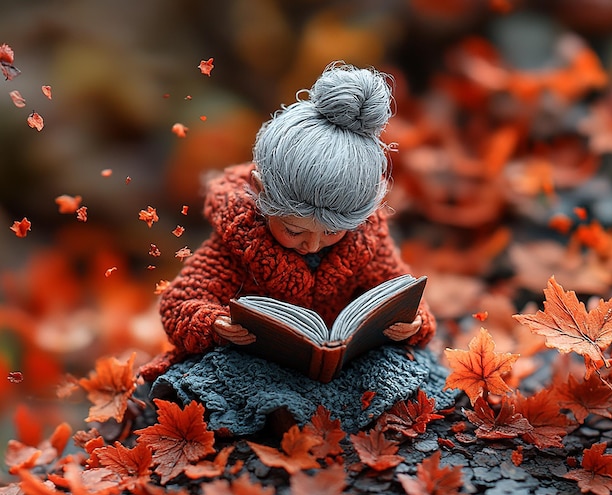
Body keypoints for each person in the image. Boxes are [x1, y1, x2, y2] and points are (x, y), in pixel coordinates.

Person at [139, 62, 455, 435]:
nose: (313, 243)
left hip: (344, 359)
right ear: (259, 192)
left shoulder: (366, 238)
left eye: (332, 233)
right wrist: (214, 323)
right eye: (293, 229)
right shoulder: (238, 239)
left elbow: (397, 287)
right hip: (259, 360)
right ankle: (279, 417)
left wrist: (413, 322)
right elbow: (180, 301)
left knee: (398, 366)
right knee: (227, 376)